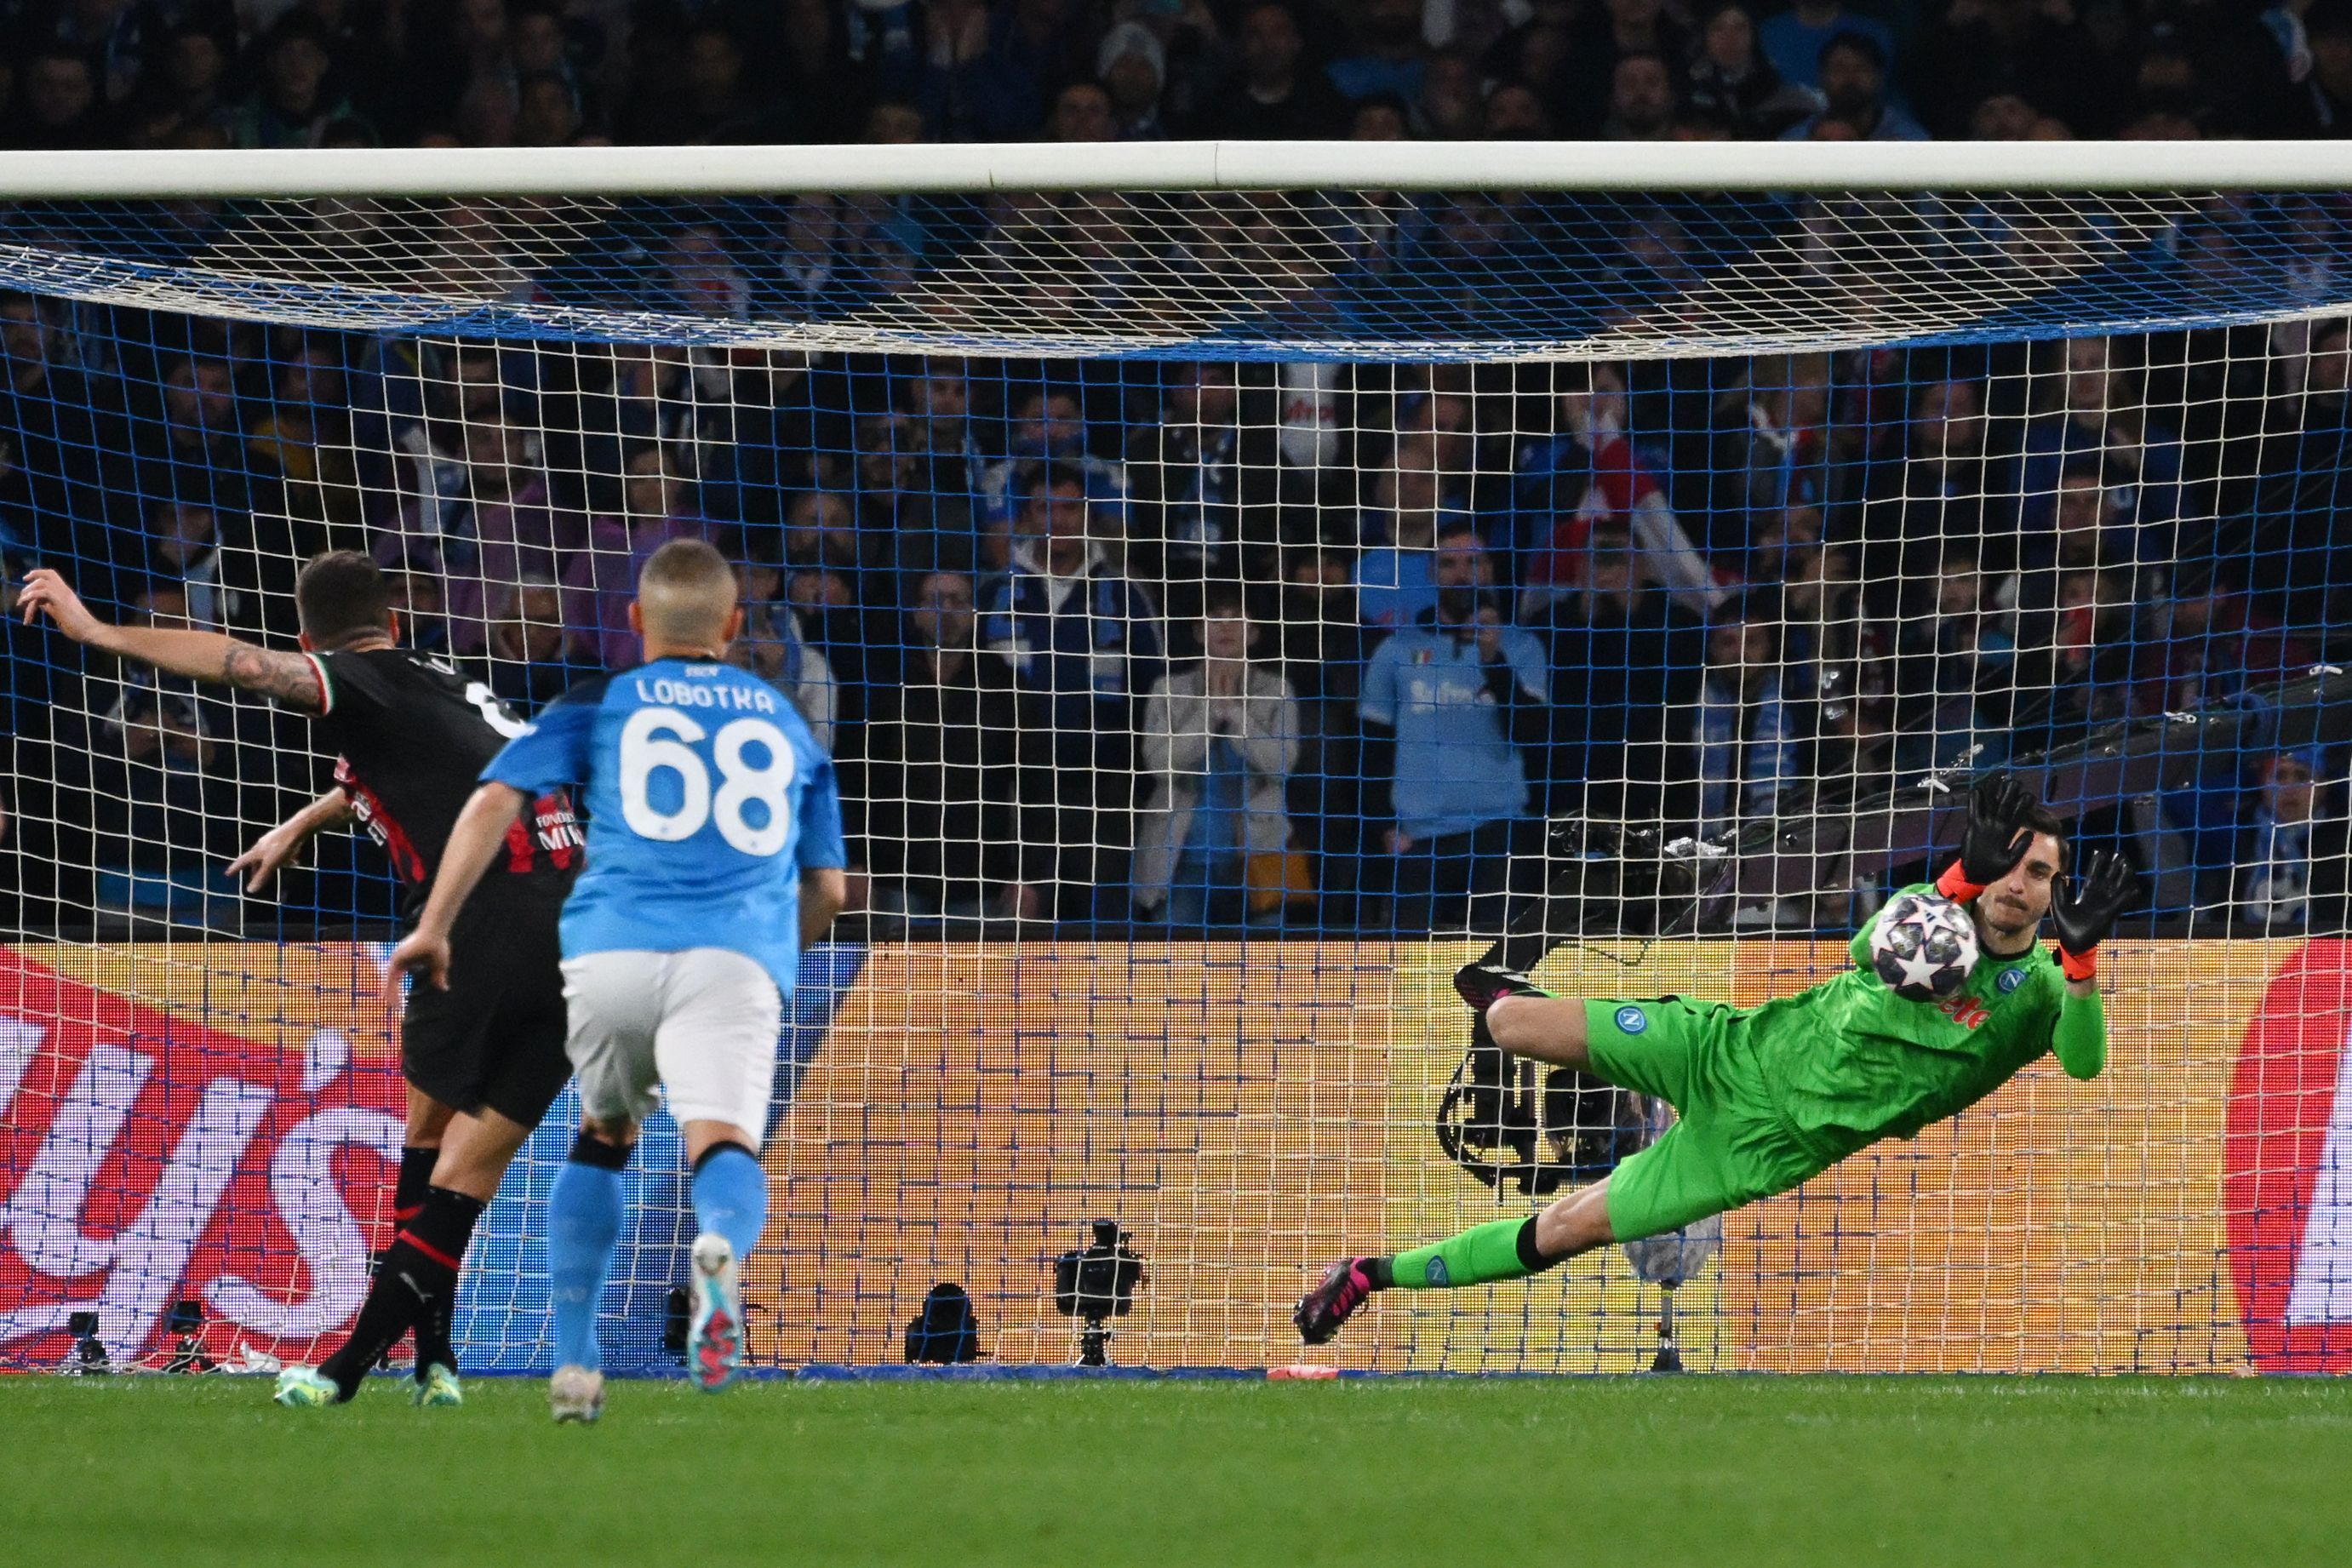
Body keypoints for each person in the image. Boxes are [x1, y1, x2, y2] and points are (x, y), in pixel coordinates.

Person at [18, 554, 584, 1410]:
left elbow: (240, 664)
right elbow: (418, 770)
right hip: (579, 918)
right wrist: (300, 821)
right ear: (394, 623)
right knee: (446, 1157)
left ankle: (352, 1370)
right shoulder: (439, 678)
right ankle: (436, 1358)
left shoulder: (359, 681)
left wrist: (98, 631)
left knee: (435, 1155)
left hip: (480, 920)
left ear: (308, 639)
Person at [1296, 776, 2138, 1345]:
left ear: (2057, 890)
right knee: (1510, 1022)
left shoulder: (2041, 991)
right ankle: (1557, 942)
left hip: (1762, 1145)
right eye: (2011, 863)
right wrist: (1957, 878)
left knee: (1566, 1228)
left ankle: (1370, 1276)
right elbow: (1863, 948)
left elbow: (2085, 1062)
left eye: (2039, 872)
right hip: (1729, 1046)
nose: (2019, 885)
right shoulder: (1928, 910)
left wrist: (2083, 962)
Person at [386, 539, 846, 1423]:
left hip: (611, 952)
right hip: (732, 954)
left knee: (603, 1135)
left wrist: (435, 924)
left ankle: (575, 1363)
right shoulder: (783, 720)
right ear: (736, 626)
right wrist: (770, 965)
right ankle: (716, 1248)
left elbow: (493, 798)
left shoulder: (600, 701)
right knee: (723, 1148)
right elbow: (828, 887)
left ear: (635, 621)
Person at [1131, 590, 1302, 926]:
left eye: (1236, 618)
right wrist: (1210, 713)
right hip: (1182, 863)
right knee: (1173, 971)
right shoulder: (1169, 689)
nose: (1225, 627)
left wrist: (1237, 715)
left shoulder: (1276, 690)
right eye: (1215, 618)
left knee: (1267, 971)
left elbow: (1282, 765)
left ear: (1253, 632)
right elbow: (1160, 764)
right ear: (1198, 631)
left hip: (1258, 859)